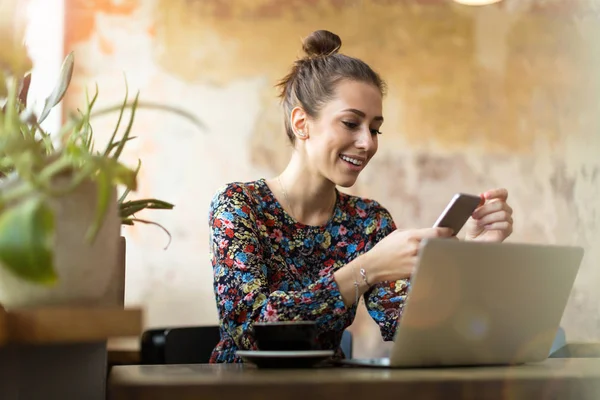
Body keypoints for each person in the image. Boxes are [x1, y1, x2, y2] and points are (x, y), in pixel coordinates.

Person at [208, 30, 514, 363]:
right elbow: (250, 332)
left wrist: (471, 258)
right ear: (301, 123)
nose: (367, 143)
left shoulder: (367, 221)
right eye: (351, 123)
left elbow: (416, 328)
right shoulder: (239, 206)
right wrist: (368, 268)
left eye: (375, 128)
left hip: (332, 389)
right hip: (241, 389)